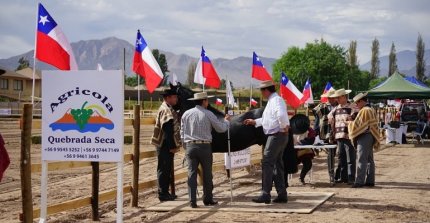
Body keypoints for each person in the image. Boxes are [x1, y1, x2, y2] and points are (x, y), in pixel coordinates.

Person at [180, 92, 230, 208]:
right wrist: (226, 121)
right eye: (207, 100)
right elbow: (221, 129)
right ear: (204, 101)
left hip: (190, 146)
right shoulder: (208, 114)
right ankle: (208, 199)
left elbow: (182, 133)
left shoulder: (186, 114)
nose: (208, 102)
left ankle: (192, 200)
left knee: (191, 173)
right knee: (207, 174)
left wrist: (185, 147)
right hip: (205, 147)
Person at [244, 80, 289, 204]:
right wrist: (255, 122)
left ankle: (265, 193)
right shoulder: (274, 100)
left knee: (267, 163)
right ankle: (282, 193)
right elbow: (268, 119)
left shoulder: (276, 100)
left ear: (266, 90)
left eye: (262, 90)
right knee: (277, 164)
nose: (261, 93)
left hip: (276, 135)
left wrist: (284, 125)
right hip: (278, 135)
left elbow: (280, 115)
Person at [151, 89, 181, 202]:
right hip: (165, 144)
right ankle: (162, 193)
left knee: (166, 168)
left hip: (165, 144)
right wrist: (172, 146)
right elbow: (167, 130)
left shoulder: (168, 108)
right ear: (168, 98)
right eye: (174, 97)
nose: (176, 99)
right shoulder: (166, 110)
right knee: (164, 168)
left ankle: (165, 192)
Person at [348, 93, 379, 188]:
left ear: (361, 101)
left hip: (364, 136)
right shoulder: (370, 109)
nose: (356, 105)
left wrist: (349, 123)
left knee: (361, 158)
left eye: (357, 103)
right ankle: (370, 180)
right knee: (369, 159)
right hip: (370, 136)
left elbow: (359, 125)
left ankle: (359, 181)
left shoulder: (365, 110)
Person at [328, 88, 357, 184]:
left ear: (344, 97)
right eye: (336, 98)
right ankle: (343, 177)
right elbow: (329, 116)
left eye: (338, 97)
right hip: (339, 136)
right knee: (342, 158)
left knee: (350, 158)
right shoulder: (336, 108)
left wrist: (350, 118)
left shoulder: (352, 107)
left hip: (348, 136)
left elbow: (355, 117)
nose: (337, 99)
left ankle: (351, 178)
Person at [291, 114, 316, 185]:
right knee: (289, 163)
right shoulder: (291, 130)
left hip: (305, 151)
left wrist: (301, 143)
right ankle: (284, 180)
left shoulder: (310, 130)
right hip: (294, 151)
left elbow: (311, 140)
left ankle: (301, 178)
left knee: (308, 164)